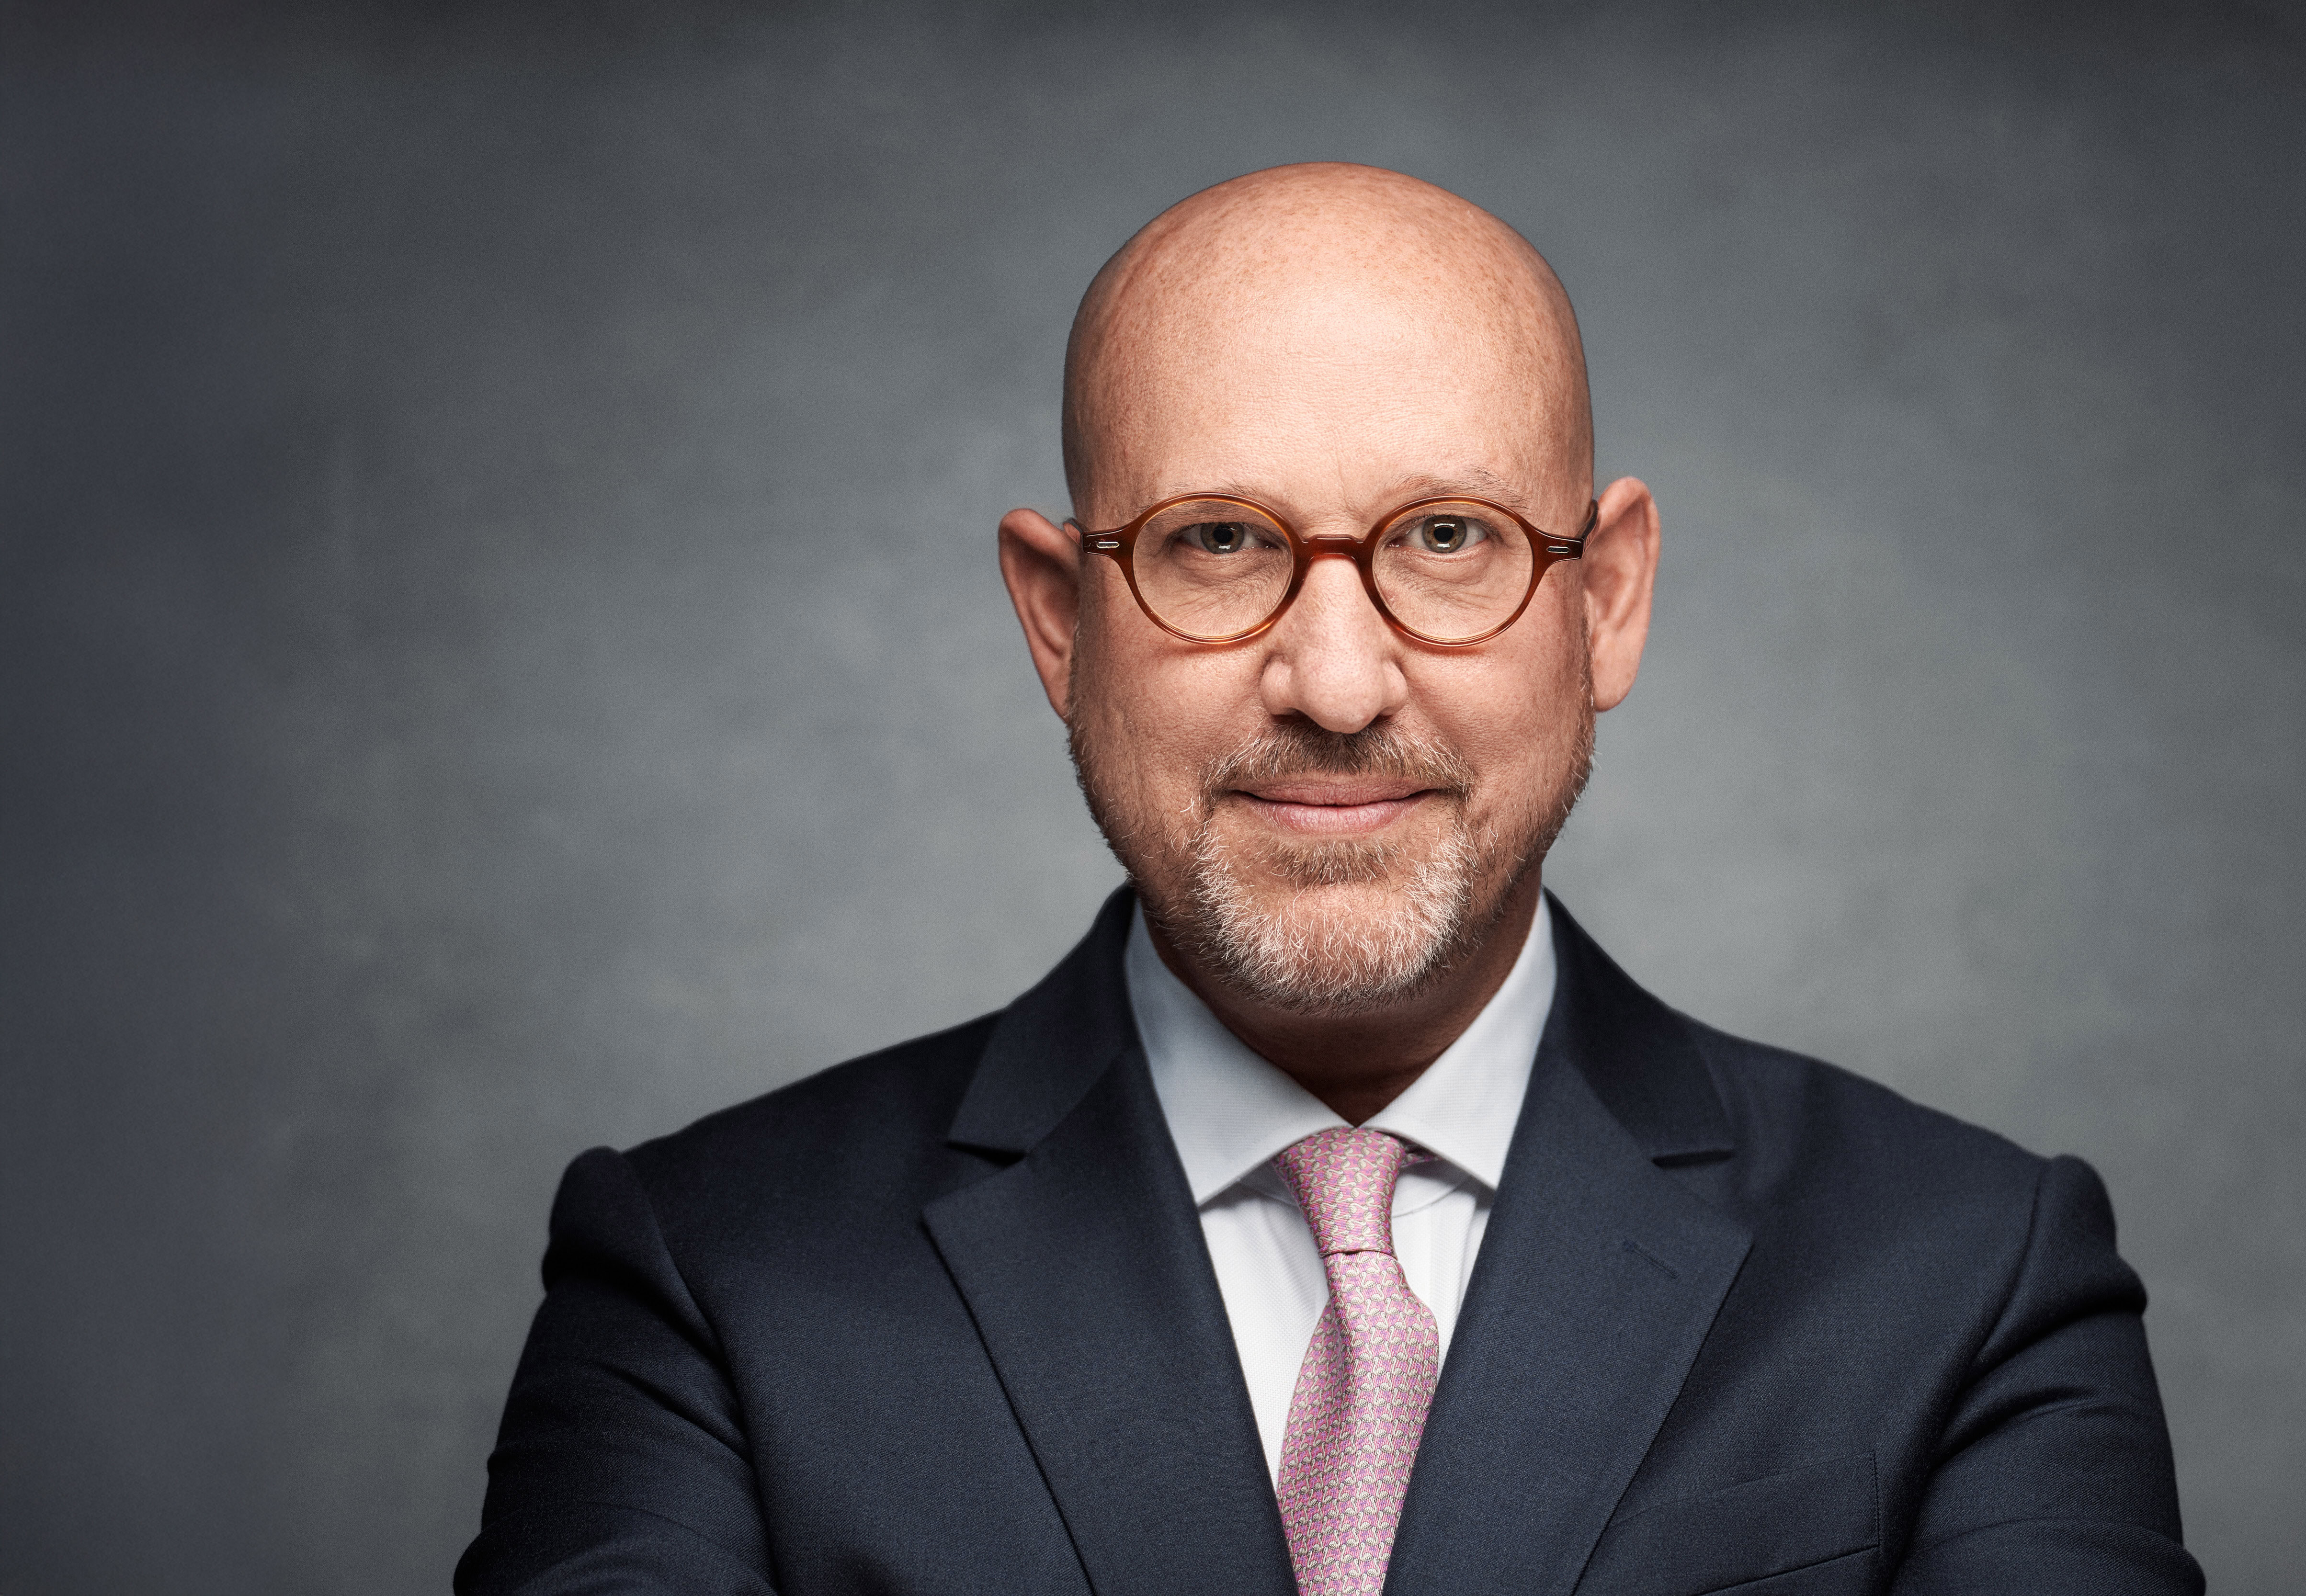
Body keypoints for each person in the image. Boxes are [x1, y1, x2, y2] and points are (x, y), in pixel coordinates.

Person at [457, 163, 2202, 1596]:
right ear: (1059, 625)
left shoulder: (1968, 1278)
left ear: (1605, 607)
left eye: (1452, 540)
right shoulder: (708, 1282)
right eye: (1220, 544)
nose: (1339, 685)